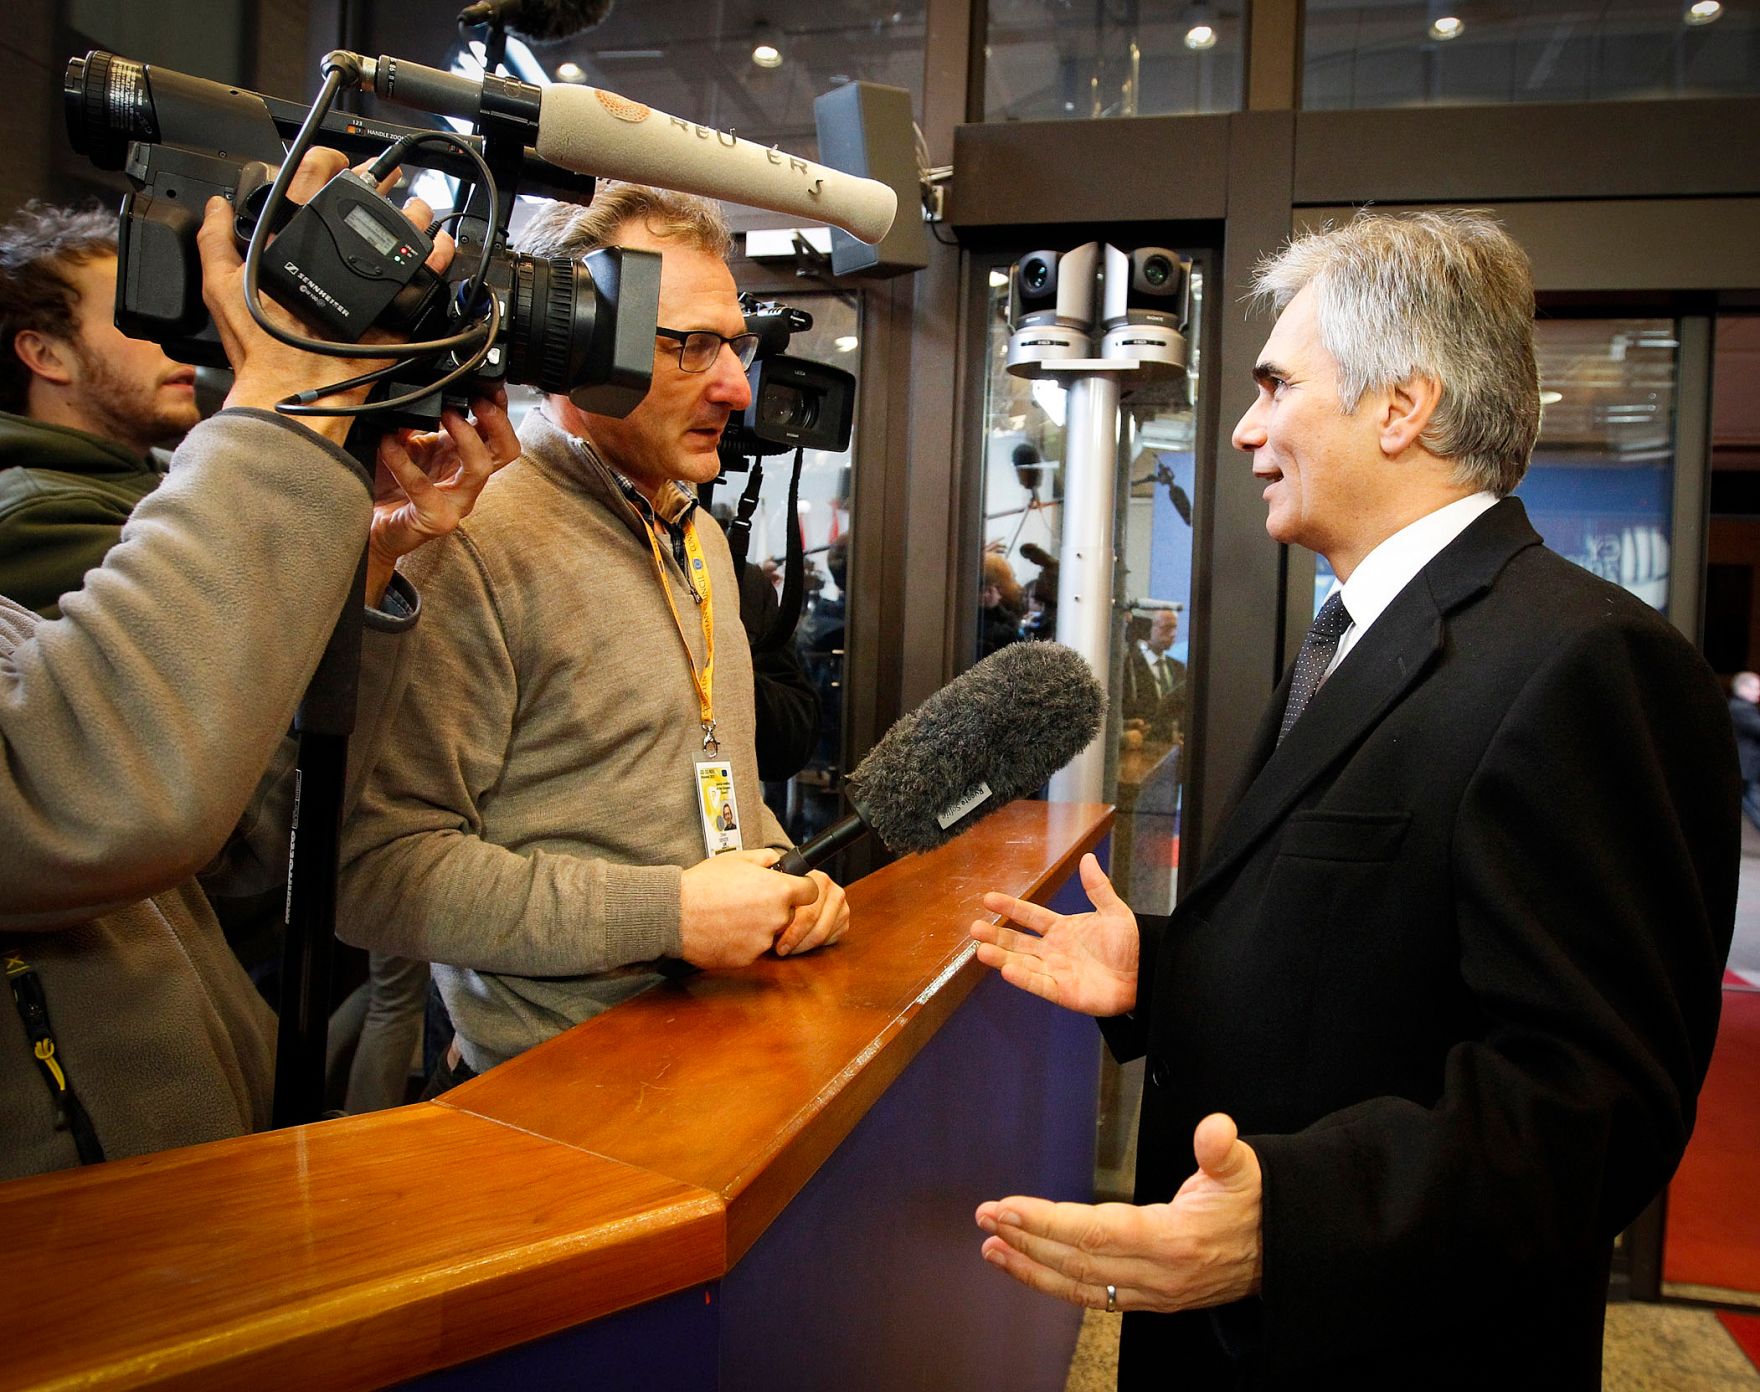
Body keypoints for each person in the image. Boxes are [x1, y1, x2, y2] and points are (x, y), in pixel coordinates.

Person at [968, 210, 1738, 1389]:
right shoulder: (1353, 631)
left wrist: (1290, 1226)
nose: (1242, 429)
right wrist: (1158, 978)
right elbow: (1381, 963)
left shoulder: (1582, 661)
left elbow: (1592, 1099)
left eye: (1274, 385)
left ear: (1400, 406)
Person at [0, 150, 516, 1180]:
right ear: (41, 355)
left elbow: (246, 843)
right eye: (143, 302)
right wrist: (288, 396)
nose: (197, 326)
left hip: (178, 1185)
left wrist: (368, 555)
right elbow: (103, 795)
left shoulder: (195, 495)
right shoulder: (33, 518)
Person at [341, 184, 850, 1091]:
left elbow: (702, 774)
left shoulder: (691, 531)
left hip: (717, 1053)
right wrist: (670, 915)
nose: (737, 385)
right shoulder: (469, 532)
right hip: (555, 1097)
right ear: (577, 347)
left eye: (736, 345)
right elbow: (380, 874)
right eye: (691, 346)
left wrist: (785, 870)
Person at [0, 202, 202, 618]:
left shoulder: (168, 469)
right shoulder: (37, 517)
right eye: (138, 317)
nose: (177, 338)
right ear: (46, 354)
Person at [1120, 608, 1185, 743]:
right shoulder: (1128, 666)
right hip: (1139, 746)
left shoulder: (1178, 668)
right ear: (1148, 628)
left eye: (1175, 628)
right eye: (1166, 628)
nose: (1173, 634)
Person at [1730, 671, 1760, 833]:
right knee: (1753, 804)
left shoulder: (1742, 707)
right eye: (1756, 688)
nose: (1758, 692)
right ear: (1744, 688)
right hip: (1745, 767)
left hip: (1746, 768)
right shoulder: (1740, 708)